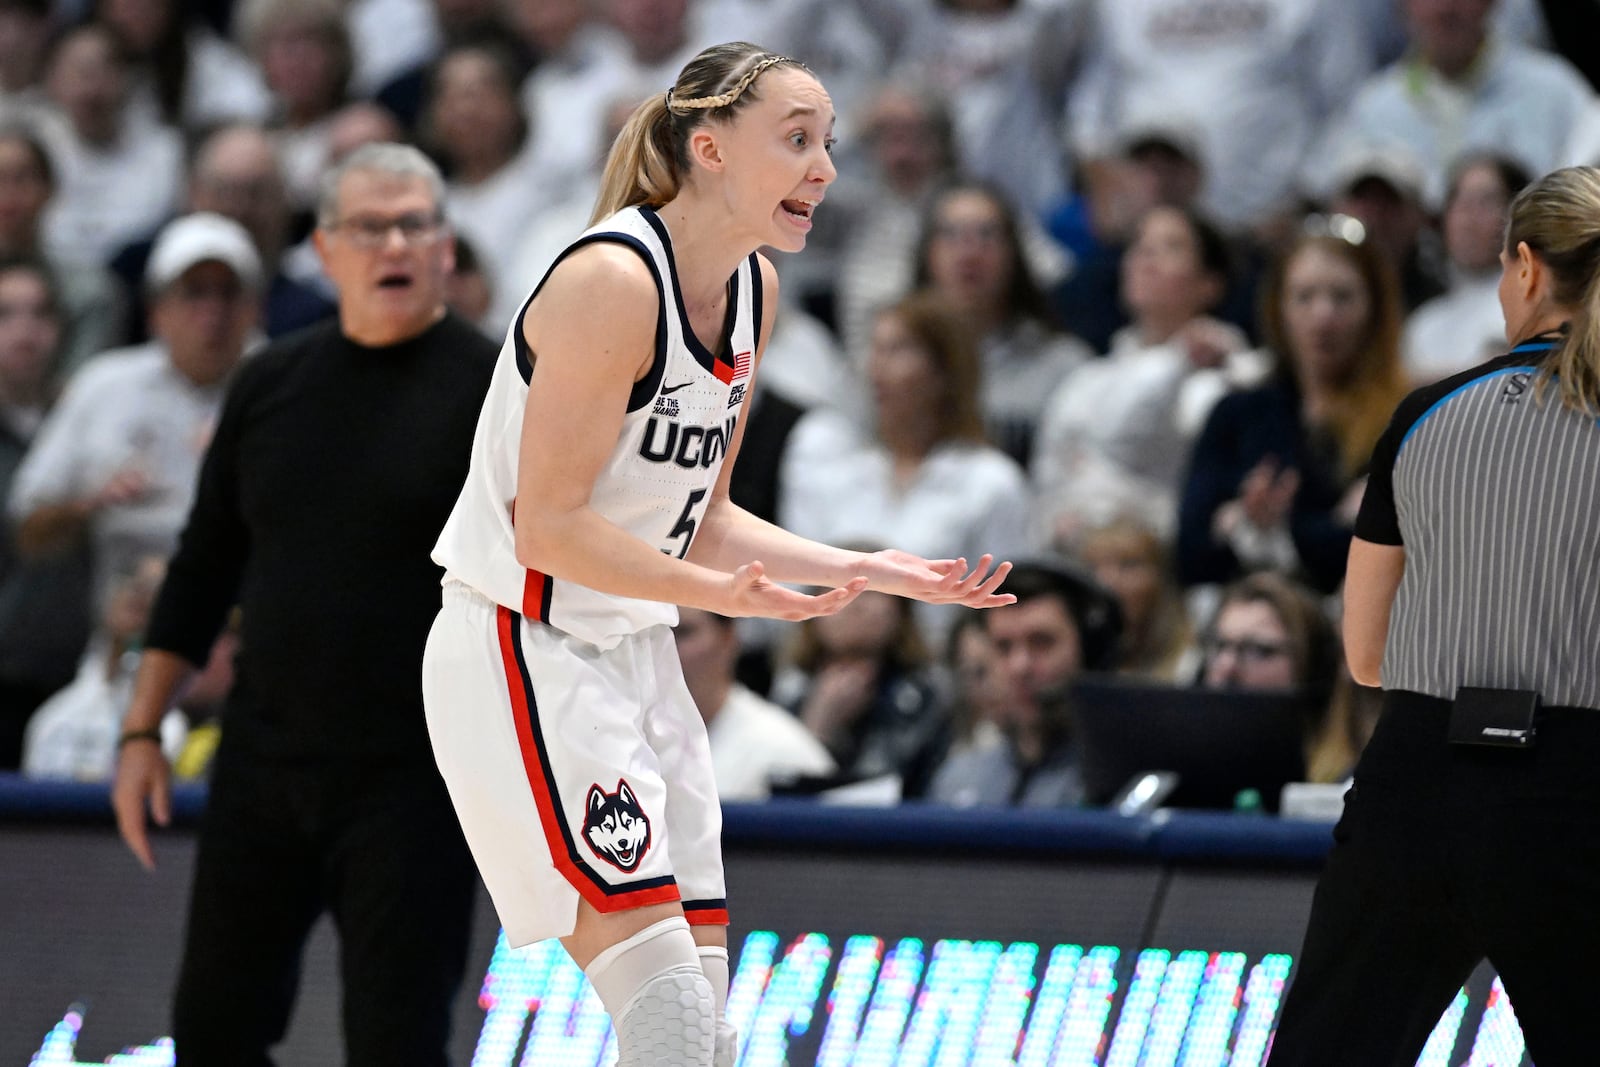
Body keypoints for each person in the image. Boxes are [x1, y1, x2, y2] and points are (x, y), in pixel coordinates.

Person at [419, 43, 1013, 1067]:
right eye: (796, 140)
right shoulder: (611, 279)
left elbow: (700, 513)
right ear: (708, 149)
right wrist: (723, 597)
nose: (826, 167)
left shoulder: (754, 292)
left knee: (707, 1036)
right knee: (669, 1020)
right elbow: (547, 526)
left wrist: (859, 566)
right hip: (526, 645)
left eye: (826, 142)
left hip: (637, 654)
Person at [109, 143, 495, 1064]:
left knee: (395, 1044)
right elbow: (204, 565)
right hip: (262, 761)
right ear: (324, 250)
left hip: (421, 776)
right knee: (211, 1031)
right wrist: (140, 730)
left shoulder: (497, 393)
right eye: (370, 225)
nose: (394, 241)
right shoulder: (269, 381)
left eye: (415, 222)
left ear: (446, 248)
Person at [1267, 165, 1600, 1064]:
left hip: (1413, 783)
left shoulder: (1424, 416)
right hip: (1577, 792)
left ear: (1527, 269)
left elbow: (1367, 655)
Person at [1176, 218, 1409, 594]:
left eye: (1342, 297)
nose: (1323, 317)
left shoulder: (1407, 418)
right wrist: (1327, 526)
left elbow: (1392, 551)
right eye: (1304, 297)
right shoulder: (1238, 413)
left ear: (1375, 308)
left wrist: (1247, 529)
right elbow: (1191, 553)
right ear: (1278, 308)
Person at [927, 559, 1120, 809]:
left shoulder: (1127, 782)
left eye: (1041, 642)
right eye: (1003, 647)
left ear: (1090, 652)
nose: (1020, 666)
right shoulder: (957, 781)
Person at [673, 606, 835, 801]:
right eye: (654, 635)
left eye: (682, 633)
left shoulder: (783, 751)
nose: (666, 650)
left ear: (729, 637)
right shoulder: (633, 731)